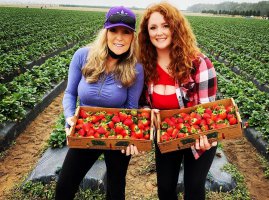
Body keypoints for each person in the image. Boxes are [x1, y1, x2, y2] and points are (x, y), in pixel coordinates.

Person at [55, 6, 144, 200]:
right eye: (114, 30)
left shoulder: (136, 67)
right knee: (64, 187)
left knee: (116, 189)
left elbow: (131, 108)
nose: (119, 37)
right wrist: (70, 117)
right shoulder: (82, 56)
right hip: (85, 129)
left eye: (126, 32)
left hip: (117, 131)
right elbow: (70, 93)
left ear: (132, 36)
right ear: (105, 31)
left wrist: (130, 138)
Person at [138, 2, 217, 200]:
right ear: (147, 33)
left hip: (198, 134)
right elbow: (142, 102)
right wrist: (148, 111)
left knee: (193, 188)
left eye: (165, 25)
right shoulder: (144, 65)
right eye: (153, 28)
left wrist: (205, 134)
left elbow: (206, 111)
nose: (159, 32)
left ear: (176, 27)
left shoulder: (199, 63)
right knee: (164, 188)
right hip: (167, 134)